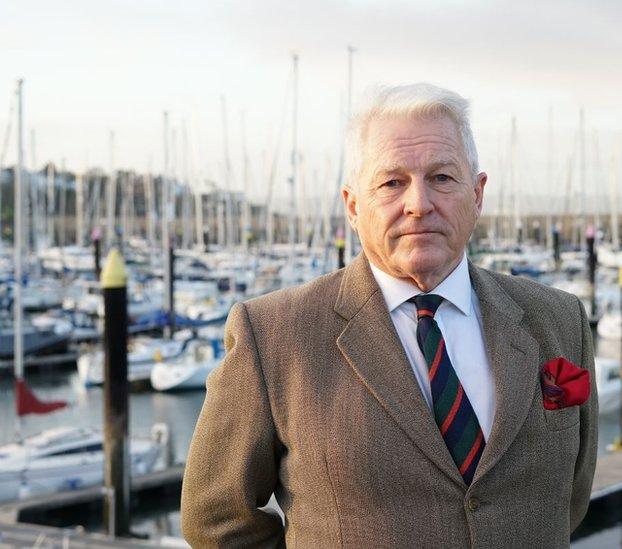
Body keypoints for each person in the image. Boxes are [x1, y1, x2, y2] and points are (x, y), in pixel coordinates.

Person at [181, 83, 598, 548]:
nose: (419, 203)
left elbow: (569, 500)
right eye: (392, 182)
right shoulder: (274, 337)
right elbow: (216, 521)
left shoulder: (559, 319)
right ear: (354, 206)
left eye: (442, 177)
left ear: (477, 195)